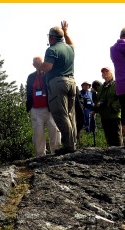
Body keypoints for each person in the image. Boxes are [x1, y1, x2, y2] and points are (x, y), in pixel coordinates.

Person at [42, 21, 77, 155]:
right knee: (70, 114)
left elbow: (47, 67)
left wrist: (39, 65)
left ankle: (68, 146)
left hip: (57, 83)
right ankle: (73, 143)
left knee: (60, 115)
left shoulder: (51, 49)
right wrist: (66, 33)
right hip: (72, 82)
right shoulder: (70, 48)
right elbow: (73, 44)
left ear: (51, 37)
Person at [26, 56, 61, 156]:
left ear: (42, 63)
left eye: (38, 62)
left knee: (54, 130)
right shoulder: (31, 77)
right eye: (35, 63)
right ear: (33, 65)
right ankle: (41, 155)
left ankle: (56, 153)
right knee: (38, 133)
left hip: (50, 108)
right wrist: (29, 106)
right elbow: (28, 91)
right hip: (36, 109)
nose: (36, 64)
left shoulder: (49, 74)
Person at [94, 67, 122, 146]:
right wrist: (95, 109)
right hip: (104, 116)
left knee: (117, 138)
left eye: (107, 72)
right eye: (103, 72)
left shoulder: (117, 84)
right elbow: (98, 99)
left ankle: (120, 157)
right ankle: (111, 157)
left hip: (114, 115)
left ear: (111, 73)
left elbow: (121, 98)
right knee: (109, 138)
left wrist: (113, 106)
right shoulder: (101, 87)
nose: (105, 74)